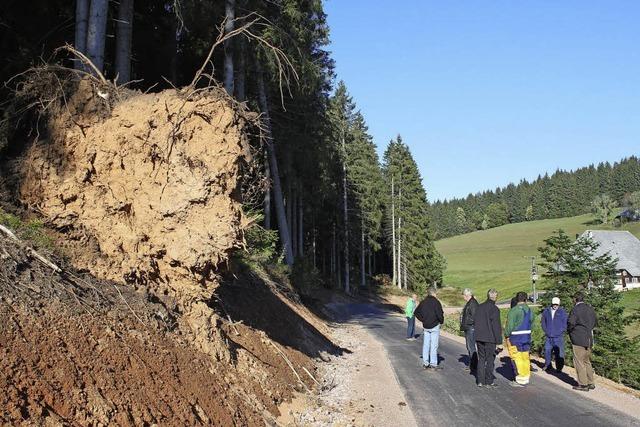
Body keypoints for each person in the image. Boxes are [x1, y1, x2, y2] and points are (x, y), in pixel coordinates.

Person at [568, 292, 597, 391]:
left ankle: (583, 384)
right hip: (589, 337)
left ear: (575, 299)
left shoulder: (575, 309)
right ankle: (590, 382)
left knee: (579, 361)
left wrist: (570, 331)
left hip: (578, 337)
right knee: (587, 361)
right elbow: (595, 321)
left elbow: (571, 322)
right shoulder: (590, 308)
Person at [474, 288, 502, 387]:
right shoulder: (495, 309)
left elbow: (475, 322)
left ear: (488, 296)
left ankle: (480, 381)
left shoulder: (479, 307)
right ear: (496, 297)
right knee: (490, 360)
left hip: (479, 336)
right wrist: (499, 341)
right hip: (490, 338)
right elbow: (496, 326)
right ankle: (489, 381)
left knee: (481, 359)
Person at [505, 291, 533, 386]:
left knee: (517, 358)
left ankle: (519, 379)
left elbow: (509, 326)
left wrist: (506, 335)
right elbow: (531, 321)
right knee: (525, 357)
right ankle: (526, 376)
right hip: (527, 338)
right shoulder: (529, 310)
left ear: (517, 299)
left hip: (516, 338)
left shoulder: (514, 311)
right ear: (525, 299)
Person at [414, 287, 444, 369]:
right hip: (434, 325)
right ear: (434, 293)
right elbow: (440, 314)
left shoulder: (423, 302)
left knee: (426, 345)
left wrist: (422, 319)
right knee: (433, 345)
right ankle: (433, 364)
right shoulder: (436, 302)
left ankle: (425, 362)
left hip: (426, 326)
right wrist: (441, 321)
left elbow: (416, 312)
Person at [541, 296, 568, 373]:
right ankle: (548, 365)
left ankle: (559, 368)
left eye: (557, 304)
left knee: (559, 353)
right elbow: (543, 322)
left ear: (559, 304)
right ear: (551, 304)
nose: (555, 306)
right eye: (554, 304)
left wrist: (561, 331)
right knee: (547, 351)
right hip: (548, 336)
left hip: (558, 337)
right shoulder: (546, 311)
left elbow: (565, 323)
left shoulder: (562, 312)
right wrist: (546, 330)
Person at [460, 288, 479, 371]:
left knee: (471, 347)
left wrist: (467, 323)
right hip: (469, 327)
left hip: (471, 328)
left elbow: (475, 317)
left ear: (467, 295)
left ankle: (474, 365)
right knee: (470, 347)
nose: (463, 297)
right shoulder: (470, 303)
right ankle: (472, 364)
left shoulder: (473, 303)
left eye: (463, 295)